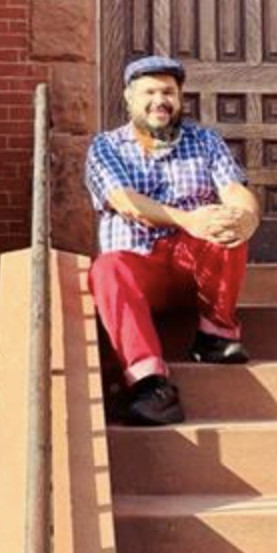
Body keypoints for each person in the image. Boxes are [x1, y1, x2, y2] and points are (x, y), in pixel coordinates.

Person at [85, 55, 262, 426]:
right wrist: (187, 220)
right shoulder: (106, 147)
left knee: (226, 225)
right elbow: (125, 202)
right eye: (149, 92)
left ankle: (215, 336)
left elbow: (234, 191)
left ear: (180, 99)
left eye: (168, 92)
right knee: (107, 268)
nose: (159, 100)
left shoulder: (205, 141)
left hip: (192, 269)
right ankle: (150, 383)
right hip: (140, 269)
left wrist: (247, 219)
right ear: (129, 98)